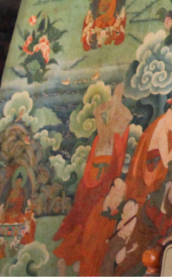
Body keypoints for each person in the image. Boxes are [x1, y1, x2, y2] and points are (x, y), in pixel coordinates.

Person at [54, 83, 132, 275]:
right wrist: (114, 100)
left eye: (121, 121)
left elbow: (126, 117)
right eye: (117, 119)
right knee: (85, 224)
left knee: (92, 226)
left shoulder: (117, 139)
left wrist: (117, 99)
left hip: (102, 185)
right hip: (95, 185)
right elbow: (99, 113)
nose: (120, 122)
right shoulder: (105, 135)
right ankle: (70, 259)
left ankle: (80, 261)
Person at [126, 92, 172, 206]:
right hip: (149, 176)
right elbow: (166, 163)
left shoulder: (163, 122)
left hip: (154, 170)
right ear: (168, 112)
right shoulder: (161, 131)